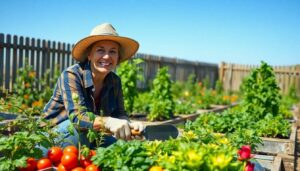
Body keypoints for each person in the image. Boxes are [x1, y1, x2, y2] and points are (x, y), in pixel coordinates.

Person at [42, 23, 144, 148]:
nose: (107, 56)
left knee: (120, 148)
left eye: (113, 51)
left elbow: (119, 113)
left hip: (89, 135)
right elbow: (78, 118)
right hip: (51, 135)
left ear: (117, 57)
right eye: (100, 50)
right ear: (89, 55)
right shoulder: (72, 75)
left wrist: (129, 124)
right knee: (78, 130)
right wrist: (108, 122)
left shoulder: (115, 81)